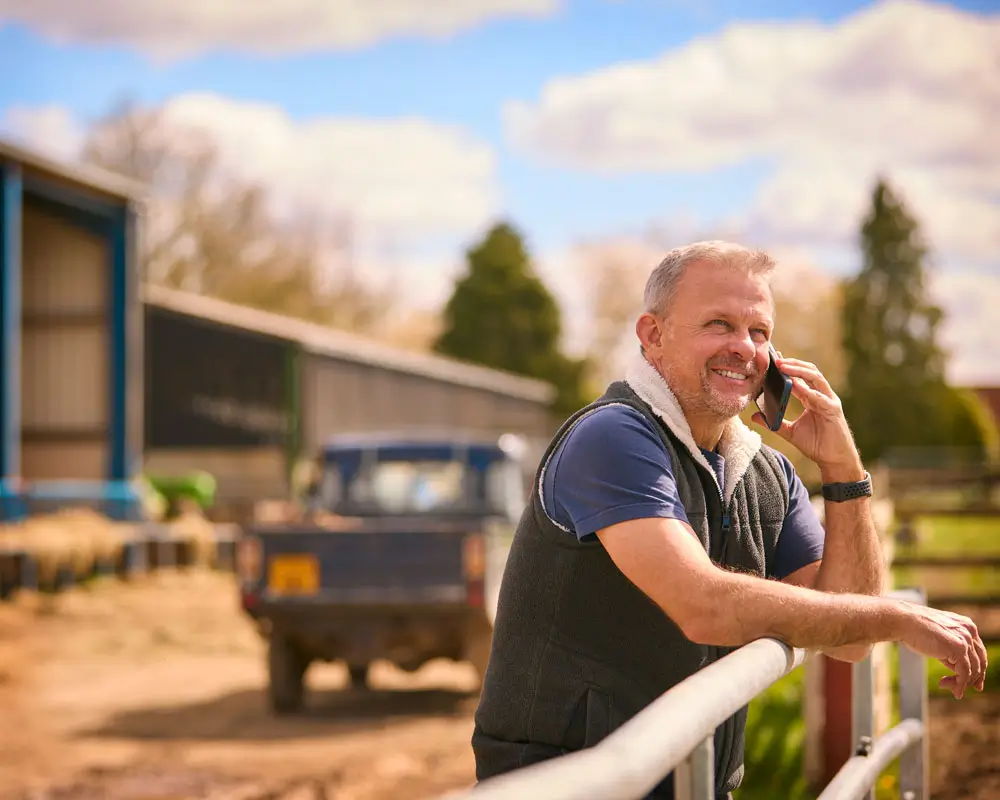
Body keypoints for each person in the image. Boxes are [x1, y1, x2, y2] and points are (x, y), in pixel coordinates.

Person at [471, 241, 987, 799]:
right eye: (719, 324)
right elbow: (703, 605)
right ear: (652, 335)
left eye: (759, 332)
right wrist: (895, 618)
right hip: (576, 785)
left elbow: (850, 641)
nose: (744, 348)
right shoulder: (613, 437)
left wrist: (843, 467)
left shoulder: (768, 473)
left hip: (696, 784)